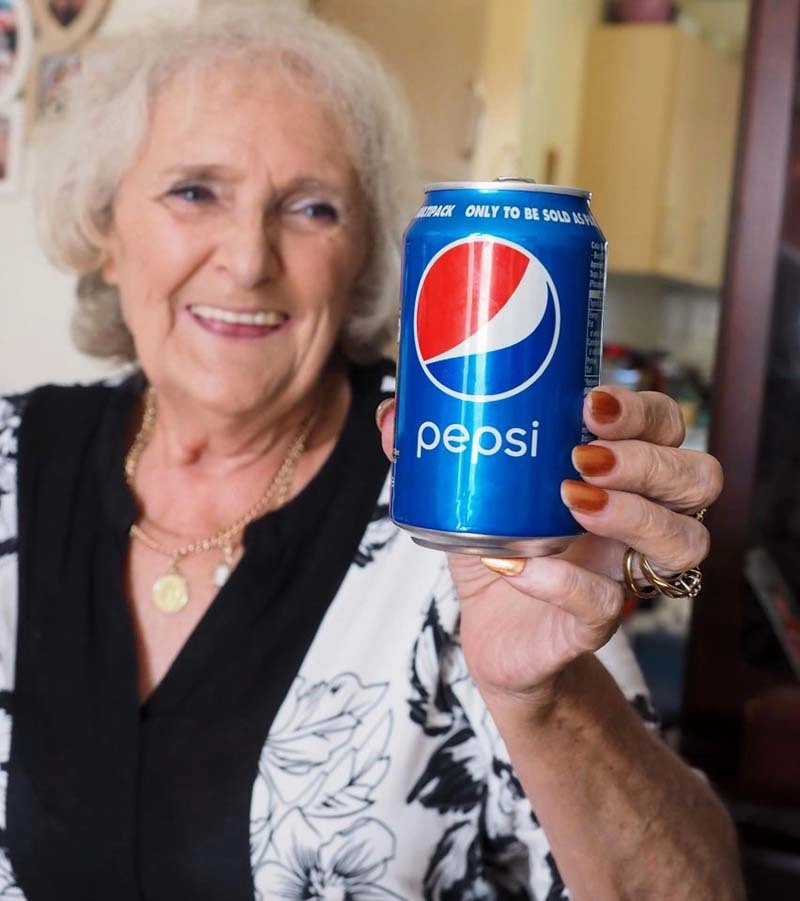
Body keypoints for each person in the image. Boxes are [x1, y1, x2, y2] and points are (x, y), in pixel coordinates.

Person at [0, 1, 744, 898]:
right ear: (105, 232)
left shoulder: (455, 491)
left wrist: (550, 703)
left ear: (362, 259)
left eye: (312, 207)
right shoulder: (10, 457)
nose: (248, 259)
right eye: (195, 191)